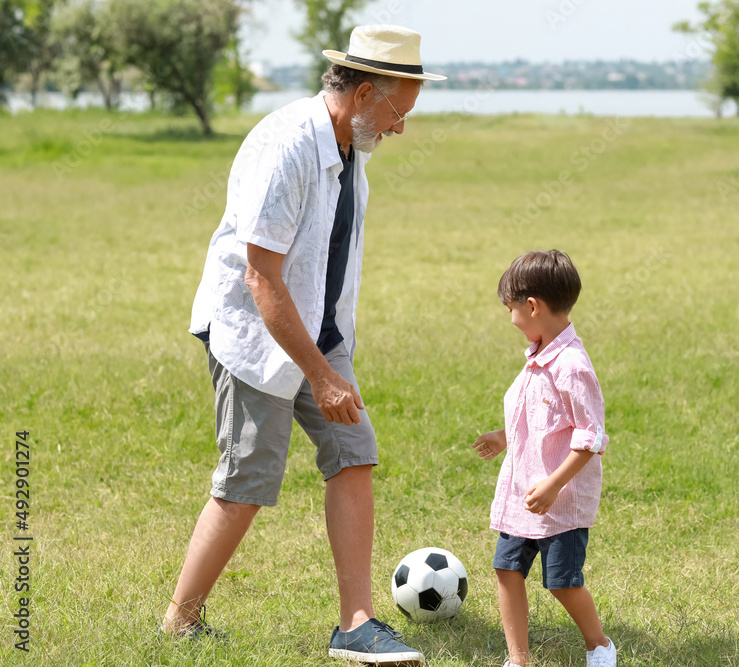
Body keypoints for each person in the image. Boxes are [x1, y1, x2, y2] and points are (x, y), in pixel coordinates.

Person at [162, 25, 445, 665]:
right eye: (400, 112)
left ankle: (356, 625)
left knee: (353, 452)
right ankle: (179, 623)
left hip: (319, 331)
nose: (401, 129)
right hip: (257, 332)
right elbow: (260, 276)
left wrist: (328, 362)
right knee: (247, 479)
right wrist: (320, 377)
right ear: (366, 91)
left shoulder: (351, 146)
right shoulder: (288, 145)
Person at [473, 250, 617, 667]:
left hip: (559, 501)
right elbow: (540, 418)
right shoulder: (537, 355)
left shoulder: (571, 366)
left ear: (532, 306)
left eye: (511, 309)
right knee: (507, 569)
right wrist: (505, 436)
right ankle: (518, 659)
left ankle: (599, 646)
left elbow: (590, 437)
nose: (511, 319)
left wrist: (554, 484)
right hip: (524, 492)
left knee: (562, 582)